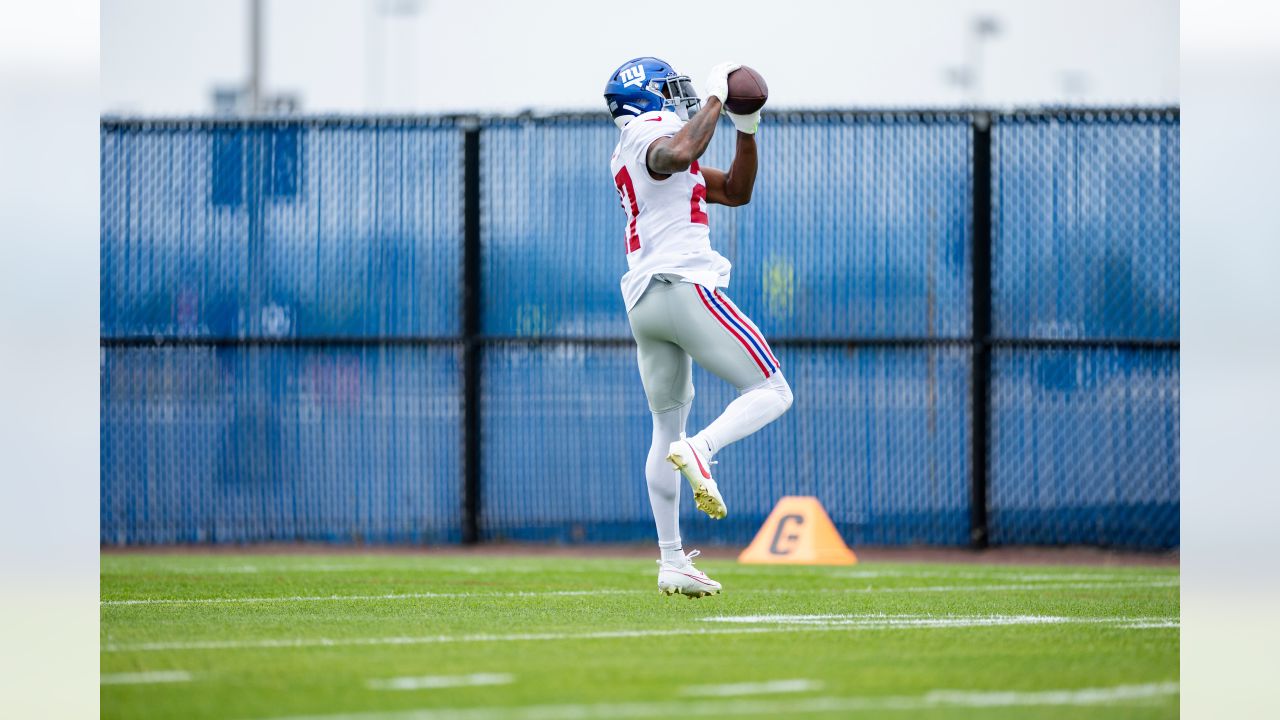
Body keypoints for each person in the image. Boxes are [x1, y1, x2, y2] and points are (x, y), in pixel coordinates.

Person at [604, 57, 794, 598]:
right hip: (683, 287)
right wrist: (716, 98)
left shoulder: (634, 143)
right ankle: (705, 449)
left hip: (646, 303)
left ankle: (671, 561)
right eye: (667, 88)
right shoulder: (650, 132)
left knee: (666, 433)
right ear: (643, 98)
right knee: (773, 390)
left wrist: (747, 127)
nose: (678, 96)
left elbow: (735, 189)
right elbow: (680, 151)